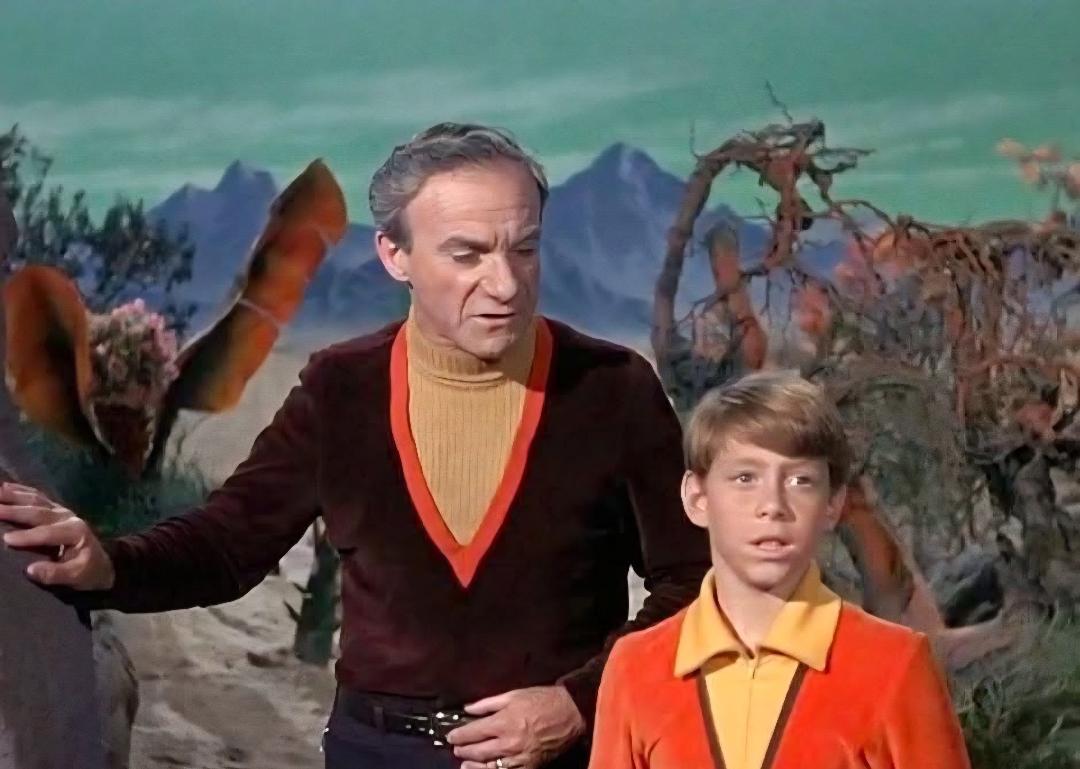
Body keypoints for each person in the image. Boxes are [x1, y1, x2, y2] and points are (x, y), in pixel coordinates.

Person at [0, 123, 710, 769]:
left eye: (524, 249)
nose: (505, 282)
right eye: (467, 253)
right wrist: (109, 563)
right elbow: (228, 544)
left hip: (567, 756)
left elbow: (693, 581)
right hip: (377, 752)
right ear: (394, 255)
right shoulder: (341, 390)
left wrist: (580, 702)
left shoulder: (612, 390)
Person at [588, 371, 971, 769]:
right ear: (697, 497)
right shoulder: (635, 668)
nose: (772, 505)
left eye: (800, 480)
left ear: (832, 504)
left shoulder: (895, 665)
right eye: (745, 478)